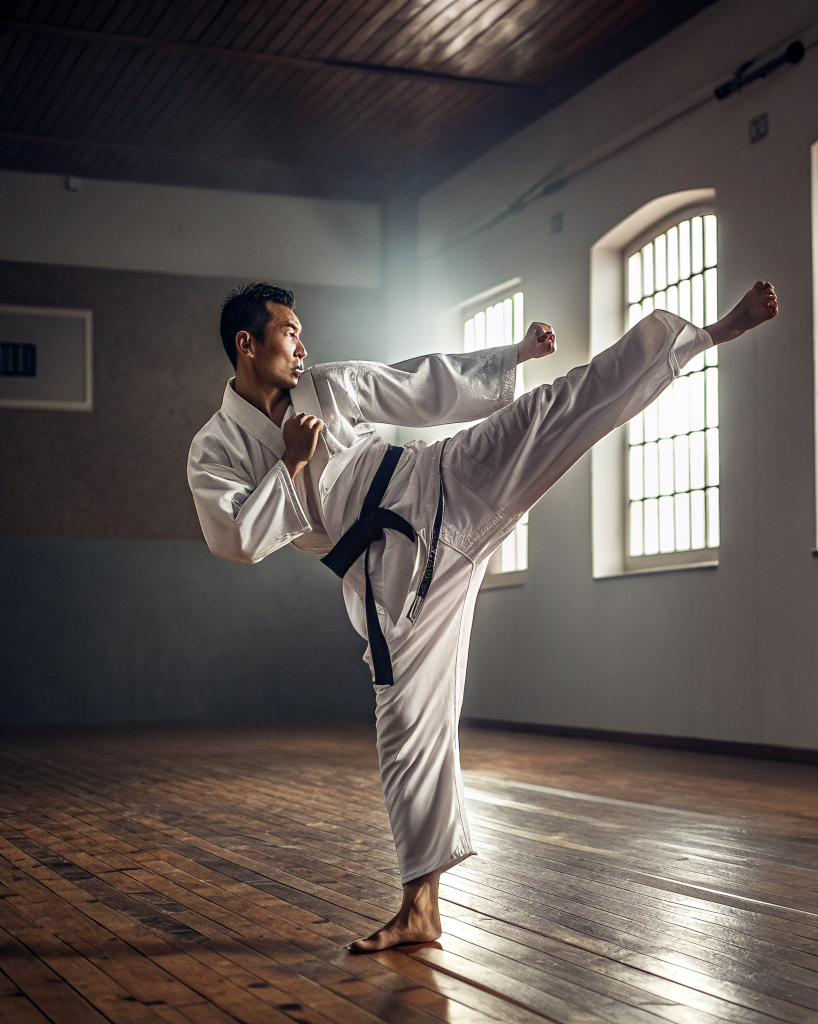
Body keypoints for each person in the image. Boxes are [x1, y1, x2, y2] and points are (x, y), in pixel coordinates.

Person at [187, 279, 778, 952]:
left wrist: (511, 359)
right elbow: (235, 540)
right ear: (247, 343)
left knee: (552, 410)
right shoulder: (215, 448)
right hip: (393, 578)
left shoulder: (328, 385)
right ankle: (420, 910)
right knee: (406, 728)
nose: (303, 345)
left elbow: (416, 383)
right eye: (290, 333)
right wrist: (291, 465)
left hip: (439, 485)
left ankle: (704, 335)